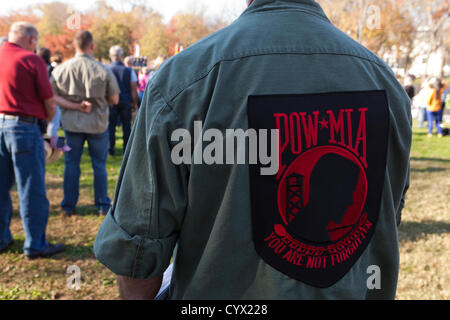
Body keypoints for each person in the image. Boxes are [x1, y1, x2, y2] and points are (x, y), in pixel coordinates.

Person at [94, 0, 411, 300]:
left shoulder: (186, 79)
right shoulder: (386, 83)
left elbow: (138, 254)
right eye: (345, 192)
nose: (348, 202)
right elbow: (384, 220)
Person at [0, 22, 68, 259]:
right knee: (31, 188)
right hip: (24, 128)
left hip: (1, 124)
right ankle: (35, 244)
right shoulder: (31, 60)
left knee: (0, 186)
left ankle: (2, 237)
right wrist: (47, 126)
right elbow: (50, 102)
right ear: (30, 39)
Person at [51, 30, 120, 217]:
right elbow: (114, 99)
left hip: (72, 125)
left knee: (71, 164)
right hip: (97, 123)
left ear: (75, 45)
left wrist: (74, 105)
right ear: (92, 46)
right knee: (99, 165)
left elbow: (52, 97)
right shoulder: (103, 70)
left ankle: (68, 205)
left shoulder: (60, 70)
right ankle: (102, 204)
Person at [108, 45, 139, 156]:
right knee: (126, 126)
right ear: (121, 56)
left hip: (110, 101)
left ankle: (110, 148)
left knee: (110, 126)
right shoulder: (128, 70)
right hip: (125, 101)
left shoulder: (107, 69)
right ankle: (126, 149)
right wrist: (134, 103)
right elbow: (133, 88)